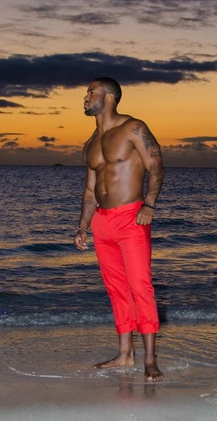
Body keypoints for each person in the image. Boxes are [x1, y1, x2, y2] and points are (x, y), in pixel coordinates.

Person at [73, 77, 165, 382]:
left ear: (110, 97)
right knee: (116, 289)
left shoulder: (133, 128)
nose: (86, 97)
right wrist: (83, 226)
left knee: (140, 286)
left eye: (92, 92)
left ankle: (149, 360)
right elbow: (90, 190)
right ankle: (125, 354)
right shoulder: (91, 143)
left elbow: (156, 165)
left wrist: (149, 204)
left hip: (131, 218)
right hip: (102, 222)